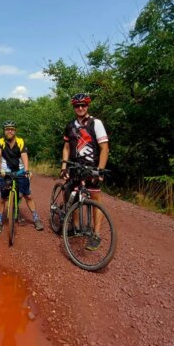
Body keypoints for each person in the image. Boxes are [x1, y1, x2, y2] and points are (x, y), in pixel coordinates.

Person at [61, 93, 109, 251]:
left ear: (88, 106)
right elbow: (67, 147)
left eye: (83, 105)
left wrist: (100, 170)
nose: (80, 108)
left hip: (91, 167)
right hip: (75, 166)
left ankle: (96, 234)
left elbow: (104, 148)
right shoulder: (70, 125)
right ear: (74, 107)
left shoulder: (96, 123)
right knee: (72, 195)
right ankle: (75, 227)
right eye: (77, 106)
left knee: (95, 198)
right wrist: (64, 166)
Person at [0, 121, 44, 234]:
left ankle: (36, 219)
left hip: (20, 172)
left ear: (15, 130)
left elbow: (24, 156)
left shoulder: (20, 141)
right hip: (5, 172)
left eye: (12, 129)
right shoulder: (0, 141)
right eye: (7, 129)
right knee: (2, 199)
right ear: (4, 131)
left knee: (28, 196)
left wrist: (26, 170)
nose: (9, 131)